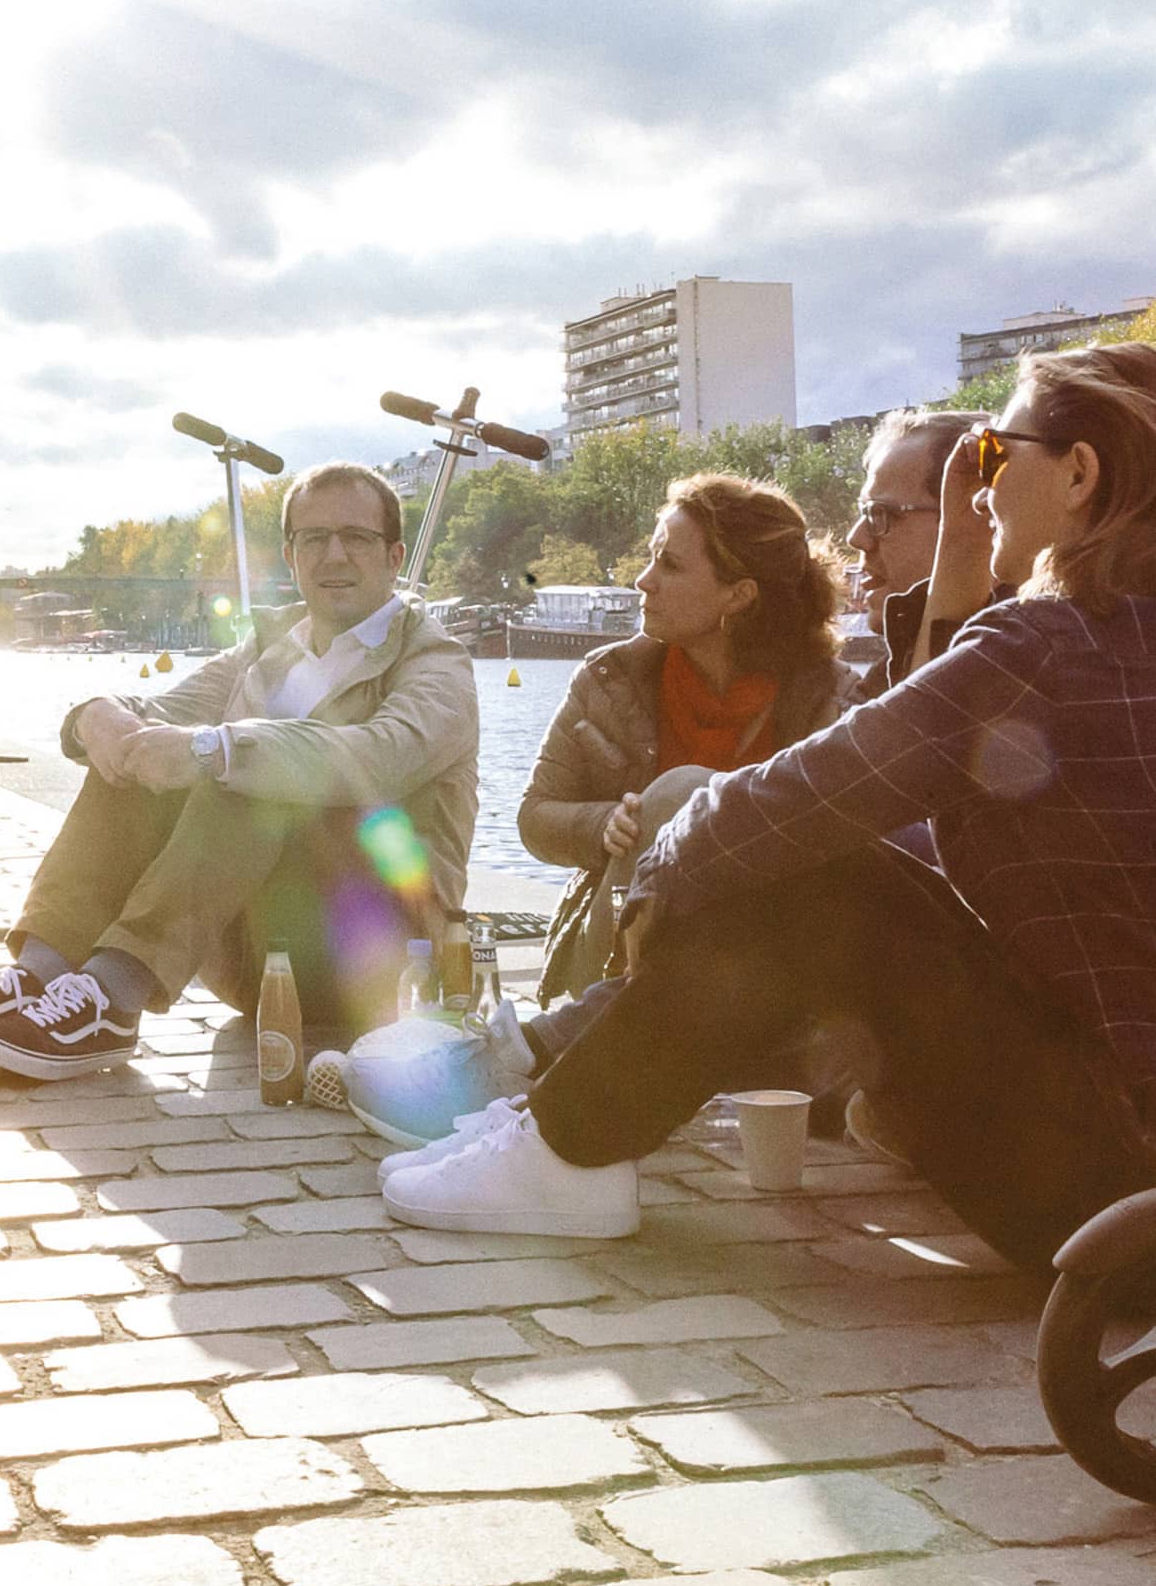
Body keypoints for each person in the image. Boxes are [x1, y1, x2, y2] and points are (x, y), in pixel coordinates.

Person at [380, 343, 1156, 1268]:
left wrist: (659, 878)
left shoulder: (1051, 644)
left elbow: (807, 796)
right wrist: (963, 533)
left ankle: (567, 1149)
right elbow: (945, 743)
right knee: (799, 862)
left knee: (802, 876)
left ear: (1080, 473)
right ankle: (561, 1128)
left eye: (995, 455)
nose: (981, 485)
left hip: (1136, 1194)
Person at [0, 462, 479, 1080]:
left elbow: (382, 754)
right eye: (314, 538)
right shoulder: (272, 644)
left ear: (394, 557)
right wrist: (95, 717)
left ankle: (114, 995)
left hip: (383, 964)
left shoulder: (436, 661)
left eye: (356, 537)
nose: (333, 555)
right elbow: (164, 715)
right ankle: (40, 975)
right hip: (260, 961)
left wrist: (219, 750)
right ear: (291, 557)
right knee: (140, 752)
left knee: (243, 765)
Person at [337, 471, 857, 1147]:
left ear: (740, 595)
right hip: (618, 939)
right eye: (650, 558)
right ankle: (561, 1062)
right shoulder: (610, 678)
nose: (644, 580)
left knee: (684, 799)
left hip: (767, 957)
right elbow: (534, 817)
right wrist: (604, 824)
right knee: (669, 807)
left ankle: (531, 1067)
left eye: (669, 565)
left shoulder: (830, 699)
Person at [846, 406, 991, 698]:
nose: (856, 538)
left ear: (979, 515)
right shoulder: (884, 678)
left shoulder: (1010, 678)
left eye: (882, 513)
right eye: (864, 512)